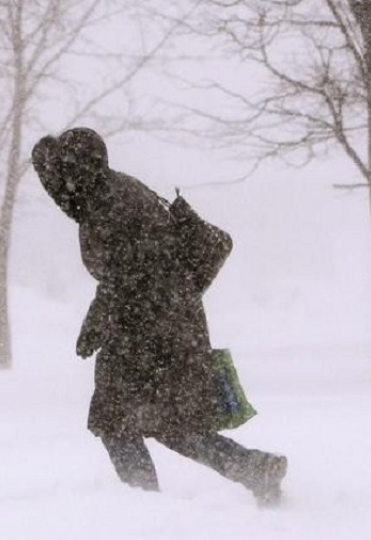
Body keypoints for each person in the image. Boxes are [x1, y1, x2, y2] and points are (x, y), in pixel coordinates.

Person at [31, 127, 288, 506]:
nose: (58, 189)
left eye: (62, 175)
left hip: (146, 327)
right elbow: (136, 265)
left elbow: (128, 268)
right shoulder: (116, 191)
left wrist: (97, 320)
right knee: (172, 423)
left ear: (80, 171)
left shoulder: (108, 203)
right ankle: (254, 468)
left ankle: (144, 508)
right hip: (169, 320)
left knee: (116, 419)